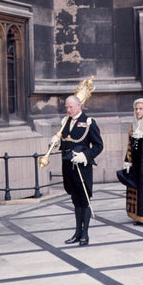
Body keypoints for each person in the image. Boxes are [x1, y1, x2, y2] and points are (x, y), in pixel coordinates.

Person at [50, 95, 103, 246]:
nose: (68, 110)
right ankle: (77, 233)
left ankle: (85, 233)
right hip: (68, 167)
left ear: (79, 105)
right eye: (66, 107)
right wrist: (56, 143)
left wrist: (85, 155)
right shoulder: (65, 122)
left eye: (71, 107)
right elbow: (66, 142)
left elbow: (98, 146)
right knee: (75, 200)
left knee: (84, 201)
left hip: (82, 168)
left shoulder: (89, 122)